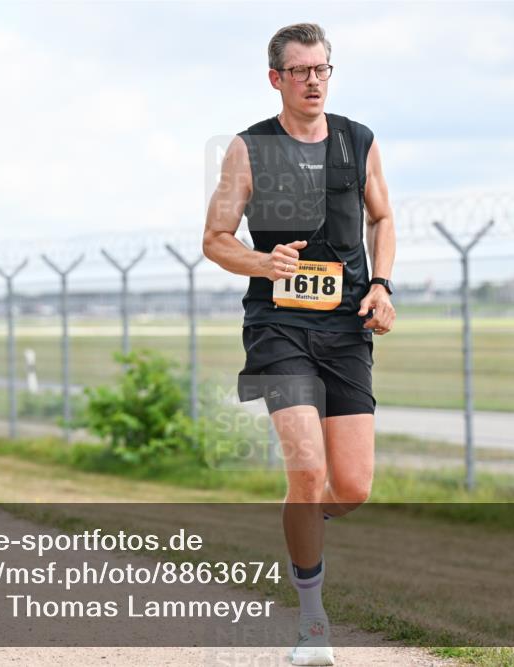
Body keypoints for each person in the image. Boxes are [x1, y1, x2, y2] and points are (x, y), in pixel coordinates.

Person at [202, 22, 396, 666]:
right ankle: (313, 623)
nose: (314, 80)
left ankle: (302, 519)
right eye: (301, 71)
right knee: (307, 470)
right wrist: (264, 263)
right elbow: (216, 239)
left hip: (346, 329)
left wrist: (383, 286)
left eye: (323, 69)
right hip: (278, 326)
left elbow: (382, 217)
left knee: (353, 487)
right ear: (276, 79)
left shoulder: (357, 140)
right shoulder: (248, 148)